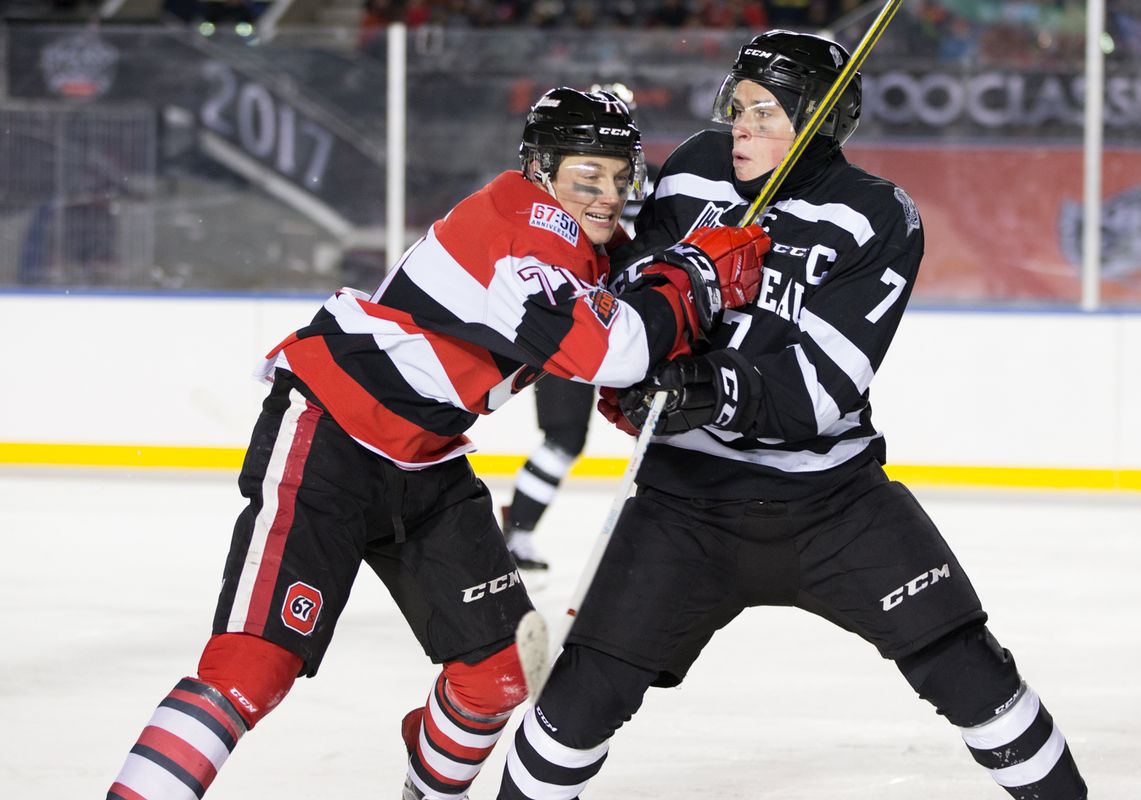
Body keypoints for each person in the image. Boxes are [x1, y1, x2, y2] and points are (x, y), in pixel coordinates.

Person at [105, 87, 769, 800]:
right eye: (589, 176)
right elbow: (606, 347)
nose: (608, 195)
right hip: (332, 435)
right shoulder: (526, 222)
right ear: (543, 170)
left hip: (427, 462)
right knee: (251, 669)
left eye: (618, 176)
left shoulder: (582, 244)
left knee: (498, 675)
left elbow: (624, 331)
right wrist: (698, 278)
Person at [497, 32, 1089, 800]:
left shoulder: (877, 215)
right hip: (685, 505)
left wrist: (699, 386)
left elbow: (820, 390)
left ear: (819, 120)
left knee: (974, 676)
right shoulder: (693, 174)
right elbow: (639, 296)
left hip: (833, 506)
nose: (740, 126)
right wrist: (654, 336)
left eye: (765, 113)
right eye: (736, 106)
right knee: (576, 703)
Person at [501, 82, 656, 575]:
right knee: (566, 436)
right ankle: (518, 532)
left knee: (652, 430)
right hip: (574, 317)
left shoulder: (641, 189)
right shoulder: (546, 200)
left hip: (620, 322)